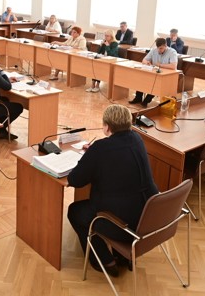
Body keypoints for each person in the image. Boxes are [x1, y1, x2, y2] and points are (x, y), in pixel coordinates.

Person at [67, 104, 158, 276]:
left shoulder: (100, 148)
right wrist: (94, 154)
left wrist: (91, 155)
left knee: (75, 212)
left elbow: (75, 180)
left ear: (107, 127)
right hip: (148, 216)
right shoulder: (137, 138)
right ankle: (123, 256)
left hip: (123, 224)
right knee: (121, 197)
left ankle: (104, 261)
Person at [128, 38, 178, 107]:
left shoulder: (172, 52)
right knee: (142, 78)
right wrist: (147, 62)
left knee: (156, 82)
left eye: (161, 48)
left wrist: (160, 65)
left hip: (167, 76)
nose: (159, 50)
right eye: (158, 48)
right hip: (155, 73)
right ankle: (138, 98)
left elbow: (173, 66)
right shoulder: (154, 50)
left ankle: (146, 101)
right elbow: (144, 60)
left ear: (165, 46)